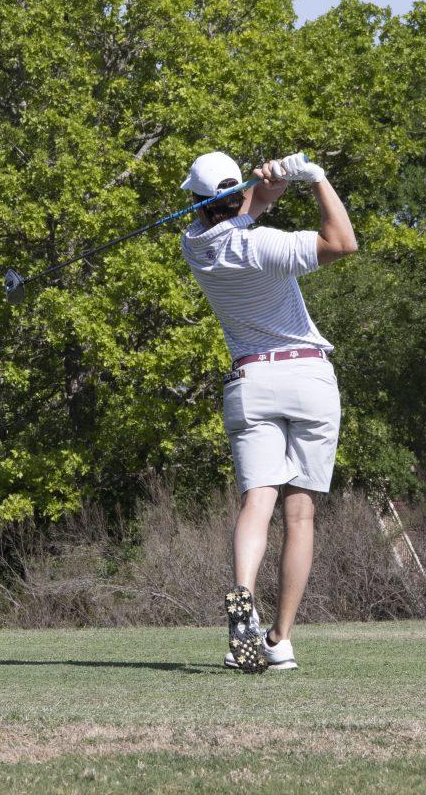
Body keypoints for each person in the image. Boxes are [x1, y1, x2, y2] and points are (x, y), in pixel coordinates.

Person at [179, 150, 357, 673]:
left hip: (251, 380)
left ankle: (242, 599)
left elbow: (243, 209)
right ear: (233, 199)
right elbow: (342, 242)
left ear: (196, 202)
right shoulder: (266, 247)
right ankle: (279, 639)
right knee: (299, 513)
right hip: (307, 377)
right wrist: (316, 180)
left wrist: (273, 183)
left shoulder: (195, 244)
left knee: (257, 501)